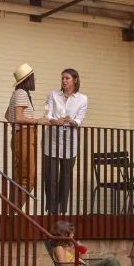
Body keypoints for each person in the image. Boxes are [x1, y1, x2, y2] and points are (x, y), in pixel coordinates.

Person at [43, 69, 88, 215]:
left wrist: (73, 121)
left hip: (70, 143)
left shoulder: (82, 99)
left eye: (67, 78)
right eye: (62, 78)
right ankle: (51, 208)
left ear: (75, 80)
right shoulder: (53, 95)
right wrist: (54, 121)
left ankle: (62, 209)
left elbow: (80, 119)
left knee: (66, 178)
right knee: (50, 177)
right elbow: (47, 114)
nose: (64, 81)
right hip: (52, 141)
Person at [5, 63, 48, 208]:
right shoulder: (22, 93)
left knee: (19, 175)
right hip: (24, 135)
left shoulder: (16, 93)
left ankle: (10, 208)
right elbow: (18, 117)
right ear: (28, 79)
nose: (35, 81)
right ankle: (14, 209)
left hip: (19, 136)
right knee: (29, 177)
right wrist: (37, 121)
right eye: (34, 78)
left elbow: (8, 115)